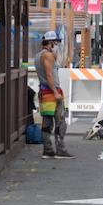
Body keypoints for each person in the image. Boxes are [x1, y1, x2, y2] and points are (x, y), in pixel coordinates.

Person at [35, 31, 74, 159]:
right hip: (52, 92)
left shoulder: (39, 55)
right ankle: (60, 150)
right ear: (50, 42)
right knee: (60, 121)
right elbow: (49, 74)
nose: (57, 45)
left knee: (47, 122)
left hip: (44, 92)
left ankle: (48, 150)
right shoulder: (48, 55)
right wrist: (56, 92)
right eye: (55, 43)